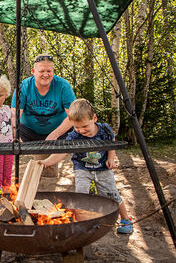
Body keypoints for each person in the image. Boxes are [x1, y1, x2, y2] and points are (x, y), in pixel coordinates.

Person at [39, 99, 133, 234]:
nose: (81, 130)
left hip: (102, 169)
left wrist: (111, 158)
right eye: (77, 127)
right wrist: (46, 162)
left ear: (94, 118)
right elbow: (62, 152)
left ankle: (125, 220)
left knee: (111, 194)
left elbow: (111, 142)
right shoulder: (73, 136)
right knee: (81, 194)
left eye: (84, 126)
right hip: (82, 169)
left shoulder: (104, 130)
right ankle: (82, 221)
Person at [11, 54, 76, 142]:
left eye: (49, 71)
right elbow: (14, 115)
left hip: (59, 132)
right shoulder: (23, 87)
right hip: (27, 132)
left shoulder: (63, 86)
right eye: (41, 71)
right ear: (33, 71)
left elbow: (73, 115)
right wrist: (16, 135)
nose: (45, 75)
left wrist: (56, 133)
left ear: (53, 71)